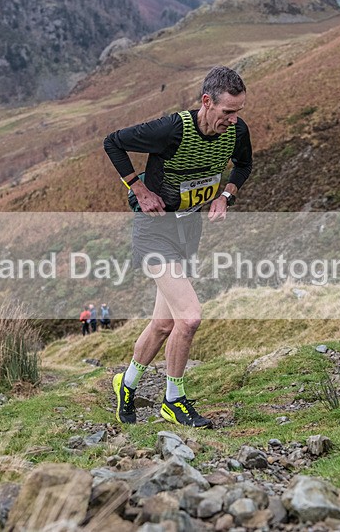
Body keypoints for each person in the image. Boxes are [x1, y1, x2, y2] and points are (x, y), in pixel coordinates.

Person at [103, 66, 252, 428]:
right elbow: (113, 142)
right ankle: (174, 400)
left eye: (238, 112)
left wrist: (225, 196)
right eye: (227, 112)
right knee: (190, 317)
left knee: (163, 323)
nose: (233, 121)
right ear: (206, 101)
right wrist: (137, 188)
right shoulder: (172, 130)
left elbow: (244, 165)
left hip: (189, 230)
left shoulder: (237, 131)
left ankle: (127, 384)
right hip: (154, 232)